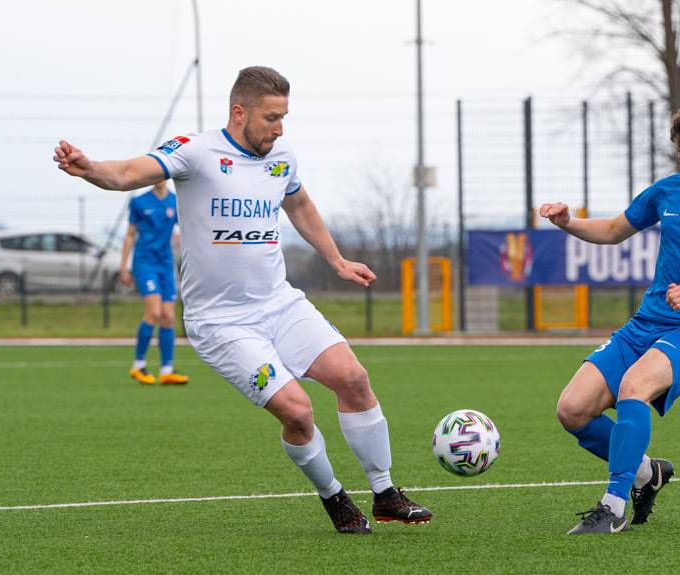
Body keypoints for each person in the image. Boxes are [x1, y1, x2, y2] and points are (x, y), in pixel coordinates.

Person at [54, 66, 431, 534]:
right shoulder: (196, 152)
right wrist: (89, 168)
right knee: (297, 411)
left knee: (353, 378)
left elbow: (299, 204)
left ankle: (385, 493)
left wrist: (336, 260)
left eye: (284, 117)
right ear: (239, 112)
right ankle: (334, 497)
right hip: (222, 323)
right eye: (272, 117)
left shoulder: (283, 155)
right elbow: (130, 172)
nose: (280, 127)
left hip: (280, 304)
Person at [539, 100, 680, 535]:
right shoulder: (666, 191)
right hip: (646, 323)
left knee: (634, 387)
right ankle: (647, 473)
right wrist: (568, 223)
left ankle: (613, 506)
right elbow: (611, 231)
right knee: (571, 411)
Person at [120, 179, 189, 385]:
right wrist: (123, 266)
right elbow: (130, 234)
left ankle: (167, 369)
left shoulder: (176, 202)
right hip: (144, 262)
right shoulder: (139, 202)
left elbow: (187, 229)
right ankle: (138, 365)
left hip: (165, 264)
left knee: (168, 316)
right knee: (154, 313)